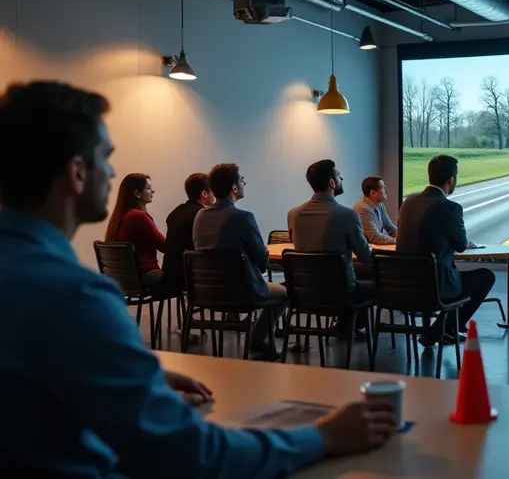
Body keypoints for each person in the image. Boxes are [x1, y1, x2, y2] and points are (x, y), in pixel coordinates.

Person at [0, 81, 396, 478]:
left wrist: (136, 378)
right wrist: (324, 436)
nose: (113, 171)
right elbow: (193, 454)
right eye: (106, 156)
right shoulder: (75, 299)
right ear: (76, 174)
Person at [397, 155, 495, 345]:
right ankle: (443, 329)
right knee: (486, 276)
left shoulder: (408, 202)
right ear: (451, 179)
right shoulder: (450, 208)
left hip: (401, 284)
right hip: (436, 285)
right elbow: (460, 245)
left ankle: (443, 330)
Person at [193, 163, 286, 359]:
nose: (244, 183)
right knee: (285, 293)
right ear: (234, 188)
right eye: (242, 180)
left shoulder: (200, 216)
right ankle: (257, 340)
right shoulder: (243, 218)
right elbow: (261, 261)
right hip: (241, 291)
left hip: (205, 291)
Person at [288, 160, 374, 337]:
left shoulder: (294, 214)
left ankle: (345, 326)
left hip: (303, 290)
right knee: (375, 279)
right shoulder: (348, 215)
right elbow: (365, 256)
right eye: (339, 175)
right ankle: (352, 326)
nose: (341, 178)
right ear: (332, 183)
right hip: (342, 293)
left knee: (354, 271)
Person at [105, 172, 167, 290]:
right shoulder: (139, 217)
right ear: (137, 193)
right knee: (183, 276)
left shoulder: (119, 217)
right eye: (148, 188)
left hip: (123, 278)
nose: (152, 191)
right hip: (145, 275)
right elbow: (165, 246)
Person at [162, 172, 215, 288]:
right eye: (213, 192)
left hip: (170, 274)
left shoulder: (175, 213)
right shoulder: (203, 215)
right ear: (204, 194)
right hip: (191, 277)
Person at [353, 176, 398, 245]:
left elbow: (389, 226)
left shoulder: (380, 205)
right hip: (367, 253)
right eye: (383, 187)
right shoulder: (362, 209)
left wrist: (401, 235)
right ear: (373, 193)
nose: (386, 189)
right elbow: (375, 237)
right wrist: (395, 240)